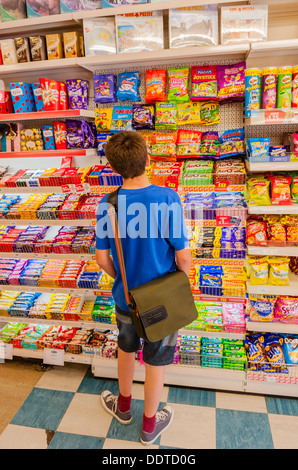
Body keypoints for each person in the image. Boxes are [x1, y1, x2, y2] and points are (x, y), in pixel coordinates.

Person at [95, 131, 191, 446]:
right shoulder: (168, 198)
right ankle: (150, 426)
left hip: (126, 298)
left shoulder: (106, 203)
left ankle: (123, 407)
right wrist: (178, 281)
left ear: (113, 167)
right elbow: (183, 255)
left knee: (126, 350)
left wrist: (120, 277)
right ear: (148, 159)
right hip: (161, 299)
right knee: (156, 361)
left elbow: (101, 257)